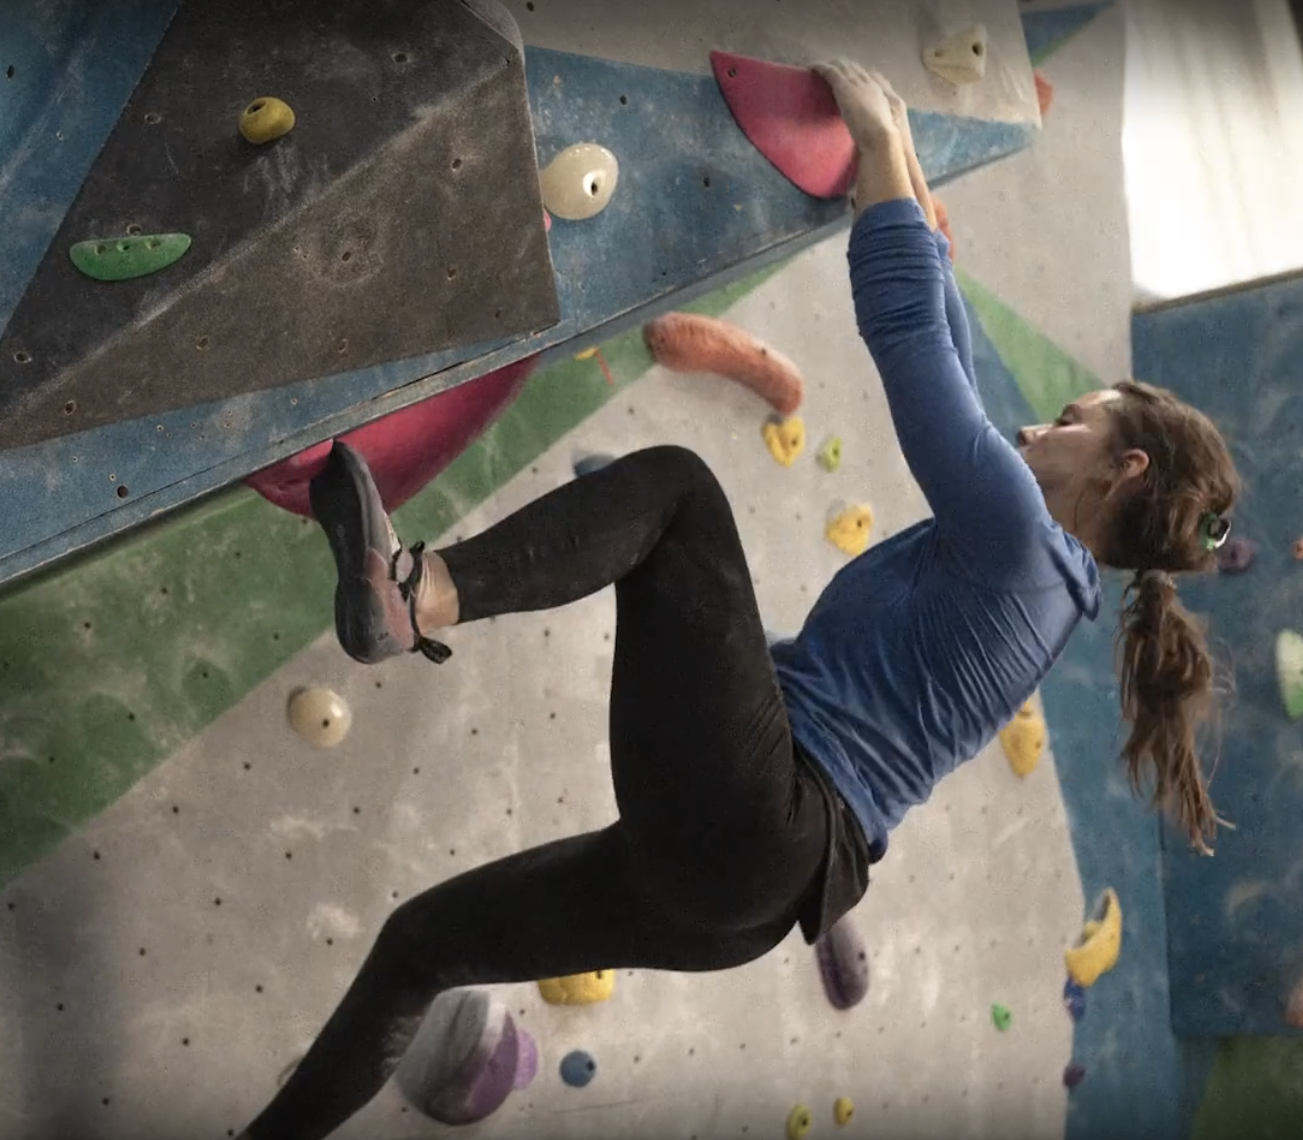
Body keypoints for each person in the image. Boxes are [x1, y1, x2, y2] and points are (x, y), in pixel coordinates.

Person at [239, 60, 1241, 1140]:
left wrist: (872, 138)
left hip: (763, 818)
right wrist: (896, 154)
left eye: (1072, 419)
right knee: (421, 947)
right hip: (745, 905)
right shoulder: (1049, 591)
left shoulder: (1014, 537)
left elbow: (910, 330)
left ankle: (415, 596)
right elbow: (949, 336)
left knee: (679, 492)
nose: (1040, 425)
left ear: (1125, 470)